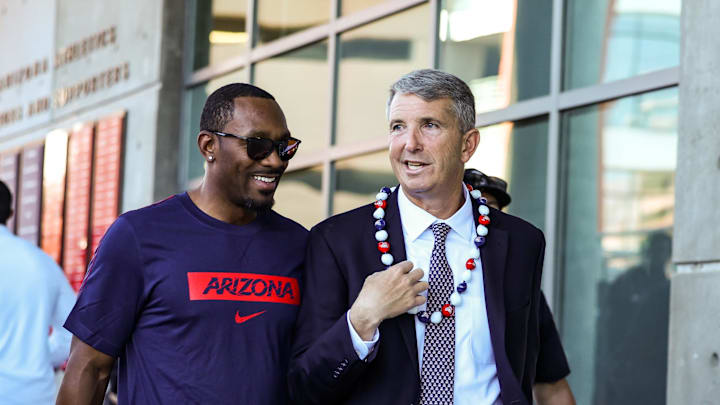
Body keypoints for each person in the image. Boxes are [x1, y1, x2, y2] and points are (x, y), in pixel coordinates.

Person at [289, 70, 575, 405]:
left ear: (467, 145)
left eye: (430, 125)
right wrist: (362, 318)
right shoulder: (337, 241)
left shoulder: (521, 243)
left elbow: (530, 371)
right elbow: (304, 386)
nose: (410, 144)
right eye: (398, 127)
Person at [57, 83, 307, 404]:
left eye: (284, 146)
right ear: (208, 146)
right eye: (257, 145)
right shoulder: (139, 235)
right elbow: (90, 368)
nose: (275, 161)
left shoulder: (299, 245)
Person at [463, 168, 574, 403]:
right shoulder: (404, 275)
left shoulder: (520, 290)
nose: (483, 215)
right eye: (471, 204)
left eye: (491, 207)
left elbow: (552, 386)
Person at [0, 180, 76, 405]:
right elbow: (73, 334)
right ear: (11, 213)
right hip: (31, 395)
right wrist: (36, 355)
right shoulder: (42, 263)